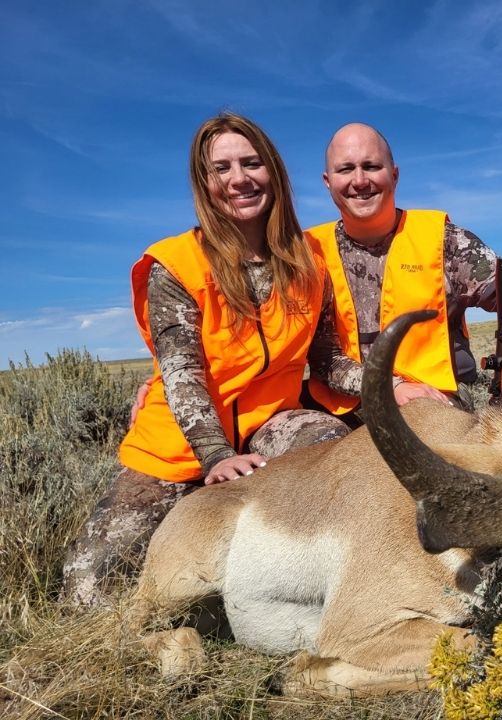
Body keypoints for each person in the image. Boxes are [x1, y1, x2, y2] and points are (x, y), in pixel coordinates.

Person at [61, 113, 350, 607]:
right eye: (222, 168)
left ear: (273, 170)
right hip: (177, 445)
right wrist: (216, 457)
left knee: (329, 445)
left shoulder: (308, 260)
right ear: (204, 182)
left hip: (267, 426)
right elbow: (182, 374)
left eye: (252, 163)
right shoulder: (177, 264)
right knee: (88, 592)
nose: (239, 179)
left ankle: (301, 579)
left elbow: (326, 360)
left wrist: (392, 384)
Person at [304, 123, 502, 413]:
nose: (360, 180)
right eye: (346, 169)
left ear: (394, 175)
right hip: (340, 404)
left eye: (371, 166)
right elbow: (322, 357)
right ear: (328, 181)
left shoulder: (445, 241)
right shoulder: (307, 253)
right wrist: (390, 387)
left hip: (432, 401)